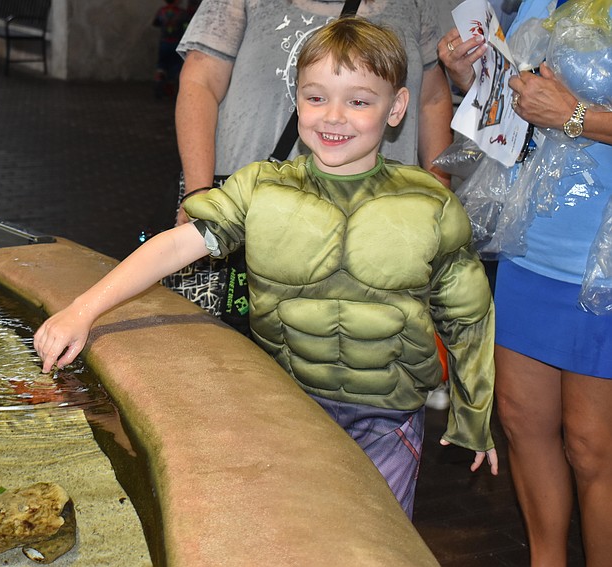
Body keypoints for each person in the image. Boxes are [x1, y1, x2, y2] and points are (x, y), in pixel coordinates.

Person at [34, 17, 499, 519]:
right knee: (288, 529)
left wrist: (474, 412)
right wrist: (81, 310)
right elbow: (173, 247)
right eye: (316, 97)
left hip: (387, 418)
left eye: (359, 101)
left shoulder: (429, 204)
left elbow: (468, 313)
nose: (333, 117)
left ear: (397, 108)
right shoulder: (261, 189)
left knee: (368, 538)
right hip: (286, 402)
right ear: (296, 99)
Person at [439, 0, 612, 564]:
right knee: (521, 421)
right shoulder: (542, 0)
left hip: (601, 266)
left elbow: (562, 110)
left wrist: (578, 116)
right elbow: (518, 112)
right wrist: (475, 79)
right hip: (527, 244)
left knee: (591, 447)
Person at [172, 0, 455, 227]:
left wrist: (438, 193)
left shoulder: (416, 4)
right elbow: (200, 83)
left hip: (380, 214)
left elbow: (431, 98)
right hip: (251, 208)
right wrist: (199, 191)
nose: (334, 116)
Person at [152, 0, 188, 99]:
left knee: (162, 64)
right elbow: (186, 27)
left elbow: (156, 23)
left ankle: (159, 80)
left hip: (164, 42)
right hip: (176, 43)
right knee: (175, 65)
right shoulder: (182, 13)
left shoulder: (162, 11)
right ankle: (169, 87)